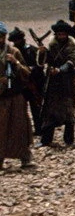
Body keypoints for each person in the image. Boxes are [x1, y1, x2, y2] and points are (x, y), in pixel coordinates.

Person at [37, 19, 75, 148]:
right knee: (49, 110)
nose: (61, 36)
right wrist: (42, 52)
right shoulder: (52, 45)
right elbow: (43, 62)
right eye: (59, 34)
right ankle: (46, 140)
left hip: (67, 82)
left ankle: (69, 140)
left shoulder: (72, 46)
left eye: (63, 34)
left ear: (67, 34)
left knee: (68, 110)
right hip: (53, 83)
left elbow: (72, 61)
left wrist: (60, 70)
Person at [0, 21, 34, 169]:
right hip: (1, 97)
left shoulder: (14, 52)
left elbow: (27, 73)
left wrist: (16, 63)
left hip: (15, 96)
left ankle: (25, 157)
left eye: (2, 36)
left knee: (19, 127)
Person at [7, 27, 45, 135]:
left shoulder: (32, 50)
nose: (16, 42)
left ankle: (39, 129)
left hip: (34, 83)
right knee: (20, 109)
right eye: (15, 41)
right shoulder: (13, 52)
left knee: (36, 108)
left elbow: (39, 66)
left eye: (18, 40)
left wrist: (31, 75)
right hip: (21, 84)